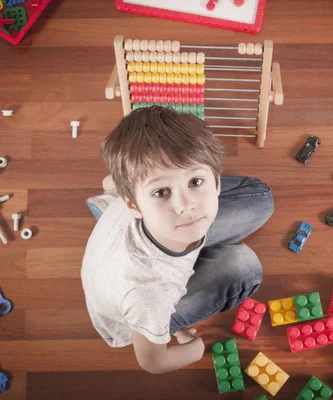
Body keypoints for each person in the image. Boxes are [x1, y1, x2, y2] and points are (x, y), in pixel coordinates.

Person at [81, 106, 274, 374]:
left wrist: (157, 185)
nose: (186, 205)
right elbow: (153, 362)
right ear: (134, 206)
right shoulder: (149, 294)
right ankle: (122, 191)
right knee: (244, 268)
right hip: (131, 312)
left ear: (216, 182)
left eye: (196, 181)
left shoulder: (173, 212)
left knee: (262, 198)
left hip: (128, 230)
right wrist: (193, 352)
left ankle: (117, 194)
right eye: (161, 191)